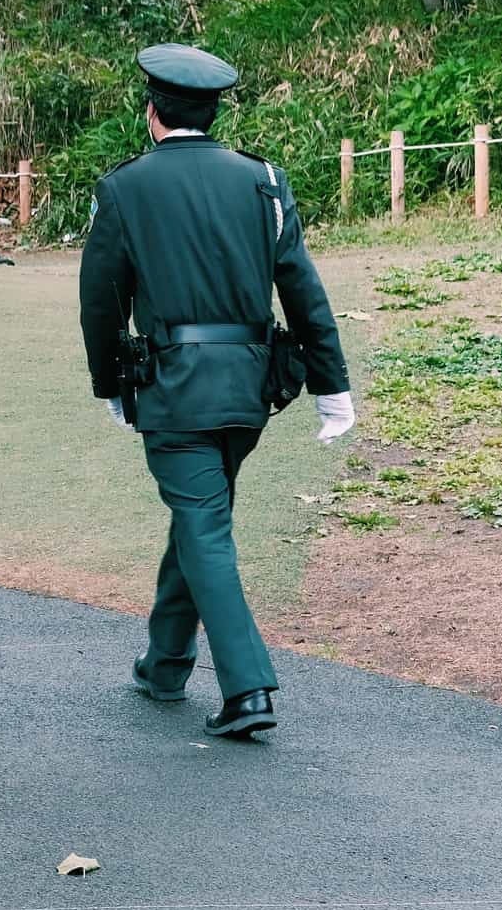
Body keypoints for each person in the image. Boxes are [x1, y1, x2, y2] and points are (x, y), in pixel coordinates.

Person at [78, 43, 353, 739]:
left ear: (152, 113)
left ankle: (248, 689)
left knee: (203, 523)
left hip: (174, 390)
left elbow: (101, 304)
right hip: (251, 394)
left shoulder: (124, 188)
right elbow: (303, 290)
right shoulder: (263, 179)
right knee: (199, 517)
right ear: (215, 109)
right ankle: (165, 664)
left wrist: (109, 384)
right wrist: (331, 387)